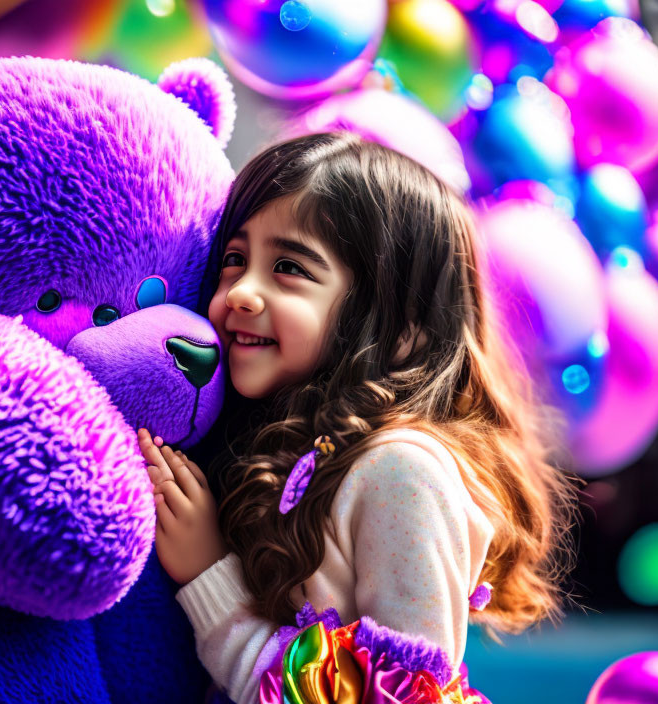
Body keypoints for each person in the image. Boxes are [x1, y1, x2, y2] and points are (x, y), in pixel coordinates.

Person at [138, 132, 577, 704]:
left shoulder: (401, 472)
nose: (242, 292)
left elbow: (393, 697)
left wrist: (209, 578)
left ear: (402, 324)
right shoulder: (285, 442)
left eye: (289, 267)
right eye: (234, 259)